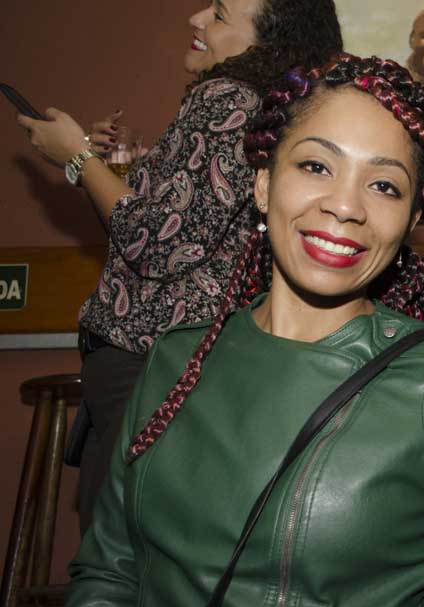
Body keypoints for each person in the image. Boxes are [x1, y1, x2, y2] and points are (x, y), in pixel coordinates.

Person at [55, 54, 424, 607]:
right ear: (262, 183)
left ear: (411, 220)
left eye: (383, 186)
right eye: (315, 166)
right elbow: (107, 575)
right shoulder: (176, 359)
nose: (345, 205)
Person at [16, 0, 344, 533]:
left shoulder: (226, 99)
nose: (197, 18)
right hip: (194, 364)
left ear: (265, 41)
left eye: (219, 14)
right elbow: (176, 225)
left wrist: (77, 159)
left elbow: (156, 245)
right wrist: (98, 164)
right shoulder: (273, 109)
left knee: (118, 561)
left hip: (153, 363)